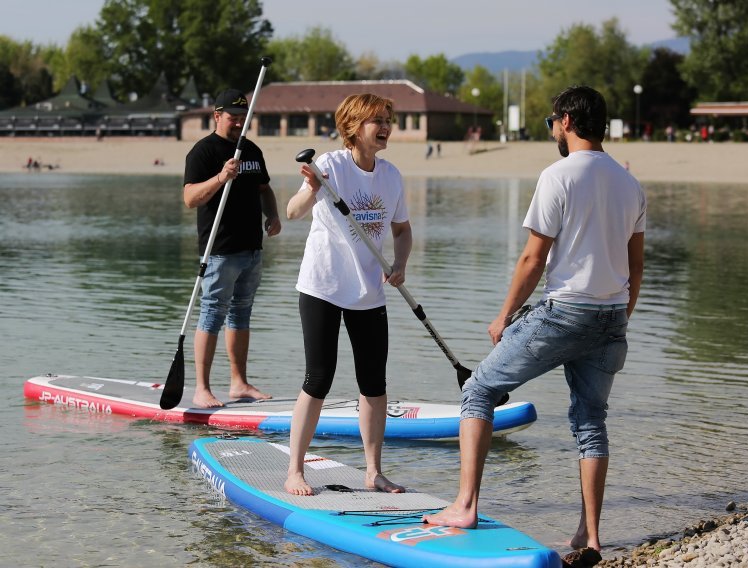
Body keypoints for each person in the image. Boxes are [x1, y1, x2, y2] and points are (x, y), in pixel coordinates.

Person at [423, 85, 646, 557]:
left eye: (552, 122)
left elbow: (532, 258)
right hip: (610, 317)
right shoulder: (630, 184)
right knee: (591, 421)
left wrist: (504, 315)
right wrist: (618, 317)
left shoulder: (558, 175)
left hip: (565, 312)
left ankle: (465, 505)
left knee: (478, 390)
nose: (552, 130)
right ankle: (590, 534)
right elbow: (636, 265)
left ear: (566, 121)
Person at [284, 93, 413, 496]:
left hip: (370, 292)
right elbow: (293, 212)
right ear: (352, 127)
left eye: (388, 119)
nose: (385, 126)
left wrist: (400, 264)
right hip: (323, 286)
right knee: (318, 377)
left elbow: (402, 230)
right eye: (376, 120)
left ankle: (373, 471)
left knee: (374, 383)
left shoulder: (391, 176)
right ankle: (294, 471)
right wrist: (310, 188)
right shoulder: (330, 166)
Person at [183, 88, 282, 408]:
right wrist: (221, 177)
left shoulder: (252, 150)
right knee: (212, 314)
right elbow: (189, 199)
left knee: (241, 313)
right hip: (219, 249)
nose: (239, 123)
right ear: (217, 116)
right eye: (233, 118)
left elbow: (264, 189)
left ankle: (239, 383)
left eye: (244, 118)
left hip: (251, 248)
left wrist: (273, 214)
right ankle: (202, 388)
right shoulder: (203, 151)